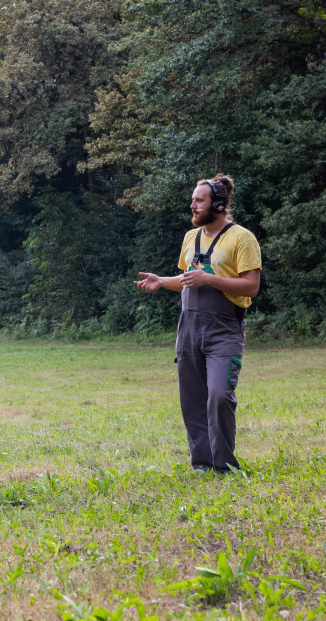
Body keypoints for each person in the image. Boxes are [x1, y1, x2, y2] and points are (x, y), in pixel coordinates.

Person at [134, 174, 262, 474]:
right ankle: (202, 464)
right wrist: (161, 282)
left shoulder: (242, 238)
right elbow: (188, 280)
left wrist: (210, 279)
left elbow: (251, 286)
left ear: (217, 205)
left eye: (198, 200)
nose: (192, 205)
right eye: (193, 199)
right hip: (188, 327)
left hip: (224, 329)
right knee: (192, 399)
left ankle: (225, 465)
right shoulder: (190, 238)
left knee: (219, 394)